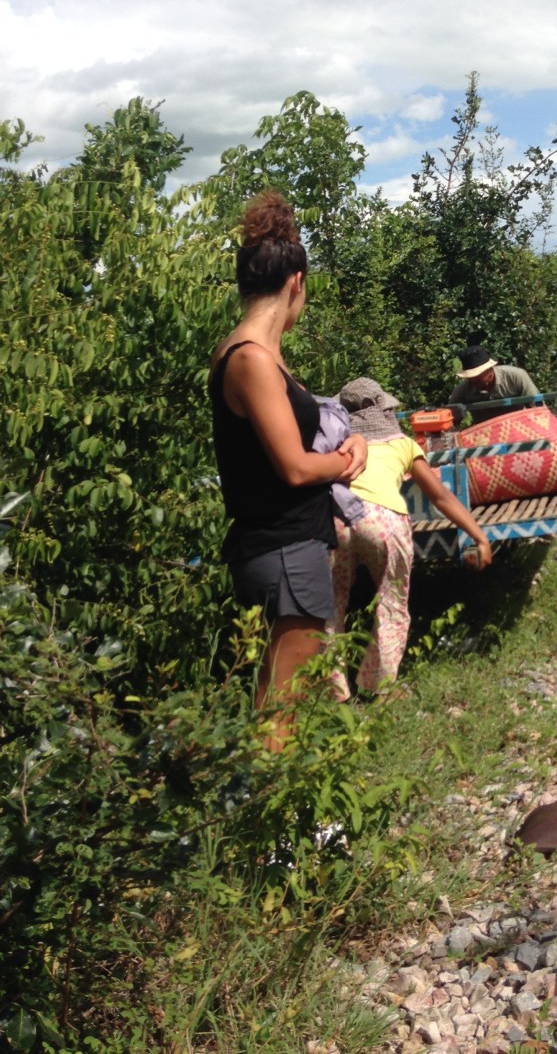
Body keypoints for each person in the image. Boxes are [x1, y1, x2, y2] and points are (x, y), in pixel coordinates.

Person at [208, 190, 367, 750]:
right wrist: (346, 462)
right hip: (283, 550)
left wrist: (347, 446)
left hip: (286, 547)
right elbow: (296, 468)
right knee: (280, 707)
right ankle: (266, 804)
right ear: (296, 282)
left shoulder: (255, 354)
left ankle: (276, 798)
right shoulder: (251, 357)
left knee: (286, 697)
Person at [330, 377, 493, 698]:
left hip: (335, 520)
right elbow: (440, 497)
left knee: (330, 606)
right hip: (383, 520)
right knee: (391, 604)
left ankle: (332, 695)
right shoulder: (402, 444)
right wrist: (480, 537)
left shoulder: (339, 446)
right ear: (384, 411)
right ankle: (379, 689)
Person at [448, 344, 540, 424]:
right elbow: (449, 418)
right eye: (470, 377)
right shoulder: (463, 390)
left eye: (477, 376)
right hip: (485, 434)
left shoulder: (516, 377)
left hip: (519, 429)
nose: (473, 380)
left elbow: (538, 409)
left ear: (490, 370)